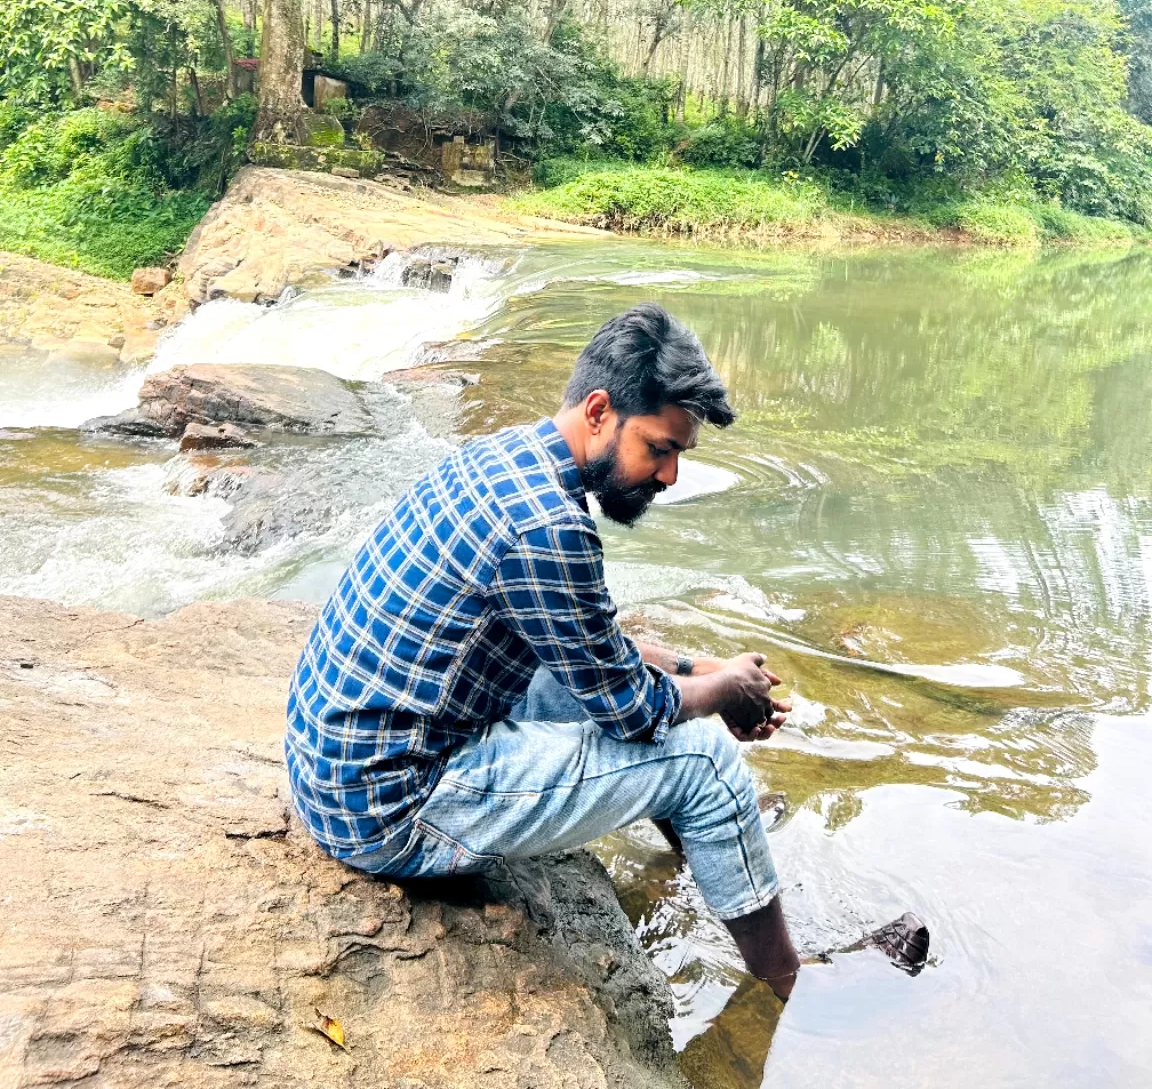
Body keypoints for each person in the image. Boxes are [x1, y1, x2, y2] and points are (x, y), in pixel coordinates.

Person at [286, 303, 922, 1005]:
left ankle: (718, 859)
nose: (670, 475)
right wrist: (722, 695)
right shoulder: (549, 526)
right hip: (391, 811)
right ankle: (788, 980)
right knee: (702, 763)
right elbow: (627, 710)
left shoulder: (503, 459)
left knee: (666, 712)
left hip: (340, 768)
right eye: (659, 448)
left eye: (679, 454)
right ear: (598, 411)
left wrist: (697, 671)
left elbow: (582, 644)